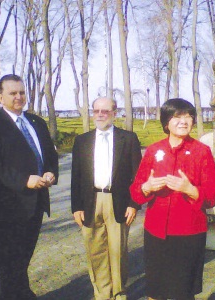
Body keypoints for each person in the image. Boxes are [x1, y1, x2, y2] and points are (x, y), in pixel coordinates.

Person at [0, 74, 59, 300]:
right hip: (5, 208)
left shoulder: (36, 123)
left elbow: (50, 155)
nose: (19, 97)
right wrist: (24, 180)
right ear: (0, 97)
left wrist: (51, 173)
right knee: (9, 265)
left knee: (20, 263)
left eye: (22, 92)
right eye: (13, 93)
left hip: (35, 206)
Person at [130, 98, 215, 300]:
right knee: (156, 289)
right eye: (177, 116)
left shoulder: (202, 152)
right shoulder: (154, 151)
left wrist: (190, 189)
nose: (183, 121)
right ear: (166, 123)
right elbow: (136, 192)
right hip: (156, 233)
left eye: (188, 116)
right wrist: (147, 187)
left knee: (183, 291)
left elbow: (214, 195)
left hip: (189, 234)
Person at [71, 97, 142, 300]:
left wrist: (134, 204)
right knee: (95, 251)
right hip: (90, 201)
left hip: (117, 201)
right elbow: (76, 177)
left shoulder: (128, 139)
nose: (100, 114)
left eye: (105, 111)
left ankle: (119, 293)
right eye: (96, 111)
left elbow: (138, 175)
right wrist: (76, 207)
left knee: (117, 251)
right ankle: (102, 293)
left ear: (114, 113)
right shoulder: (82, 141)